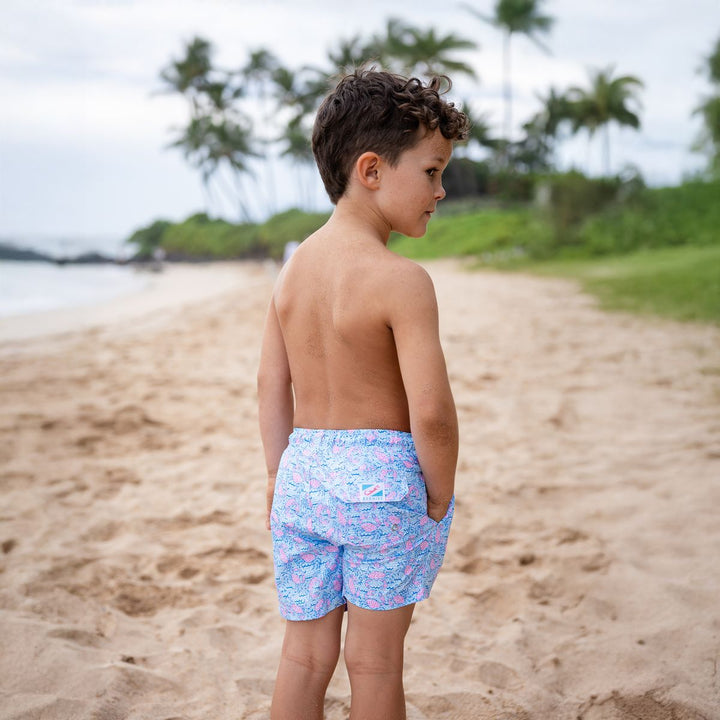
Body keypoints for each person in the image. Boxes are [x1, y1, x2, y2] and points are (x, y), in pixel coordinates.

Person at [257, 67, 469, 719]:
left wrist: (277, 477)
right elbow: (430, 412)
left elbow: (271, 384)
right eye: (432, 171)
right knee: (375, 663)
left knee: (304, 657)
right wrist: (437, 493)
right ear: (371, 170)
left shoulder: (293, 272)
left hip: (301, 477)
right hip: (381, 482)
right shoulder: (400, 281)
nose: (441, 189)